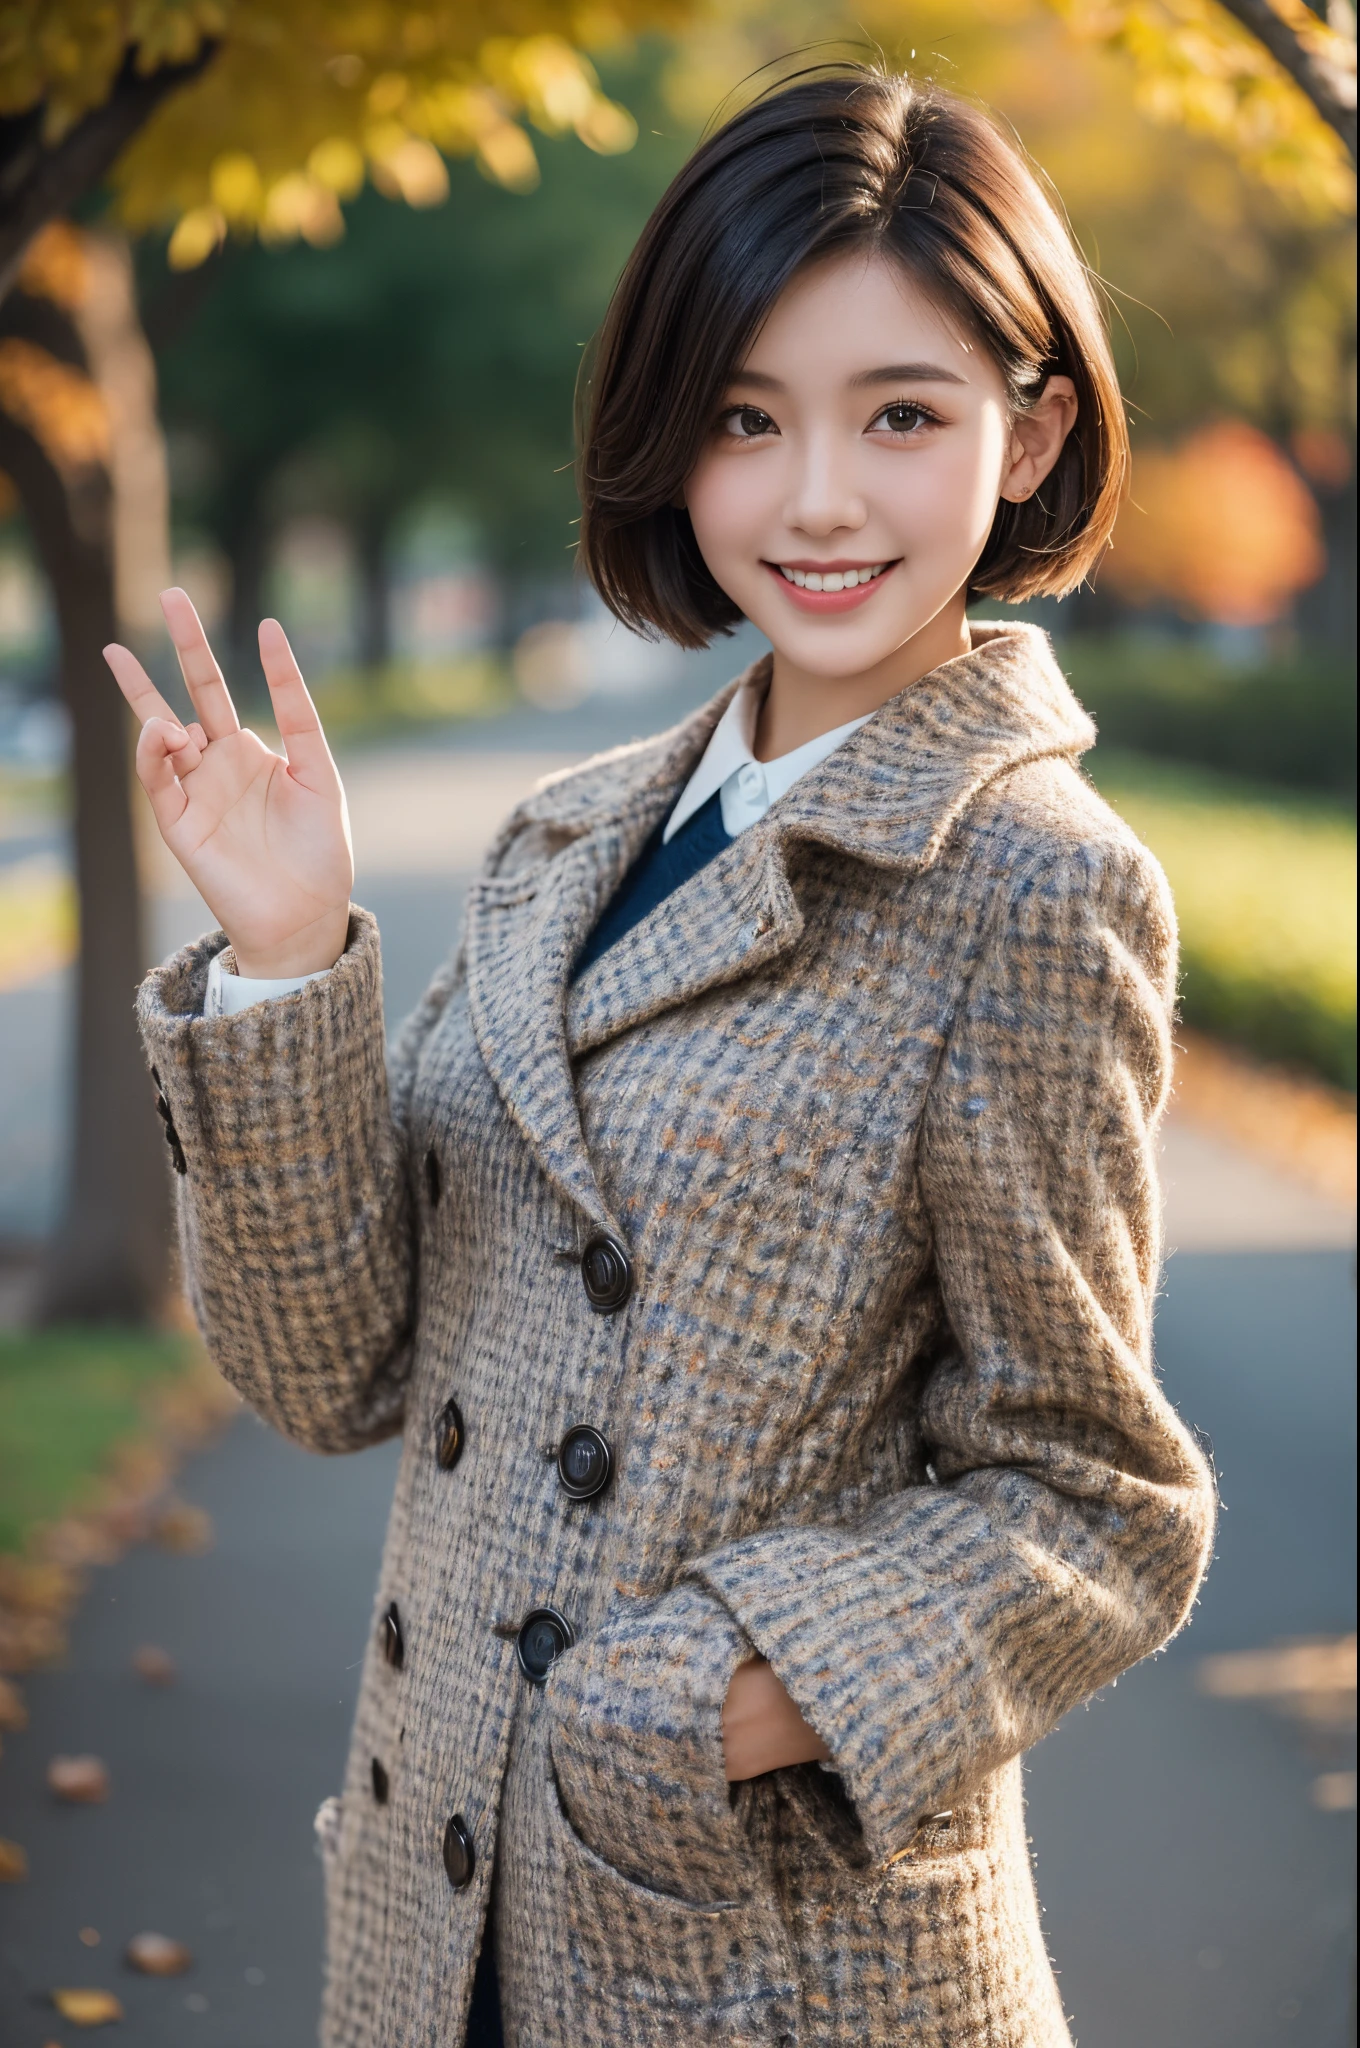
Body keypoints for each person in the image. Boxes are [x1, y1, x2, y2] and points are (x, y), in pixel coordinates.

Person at [107, 63, 1216, 2048]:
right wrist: (284, 961)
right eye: (742, 417)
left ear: (1030, 429)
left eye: (900, 415)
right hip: (435, 1907)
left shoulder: (1032, 886)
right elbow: (335, 1369)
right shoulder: (568, 836)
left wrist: (711, 1694)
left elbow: (1092, 1499)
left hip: (763, 1963)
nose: (813, 498)